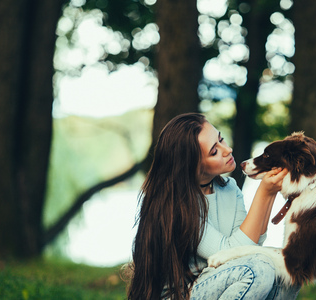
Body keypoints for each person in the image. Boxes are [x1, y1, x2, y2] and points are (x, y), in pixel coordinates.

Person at [127, 113, 300, 300]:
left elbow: (251, 246)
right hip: (182, 294)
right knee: (257, 269)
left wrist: (270, 192)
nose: (227, 149)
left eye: (221, 139)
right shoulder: (178, 206)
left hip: (217, 281)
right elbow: (232, 253)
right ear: (192, 166)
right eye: (214, 152)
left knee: (289, 268)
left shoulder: (229, 188)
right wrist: (264, 192)